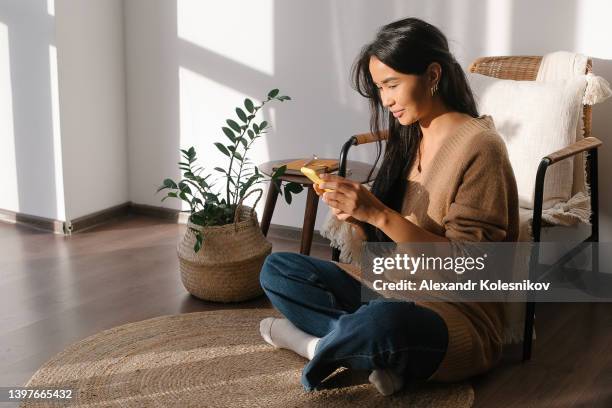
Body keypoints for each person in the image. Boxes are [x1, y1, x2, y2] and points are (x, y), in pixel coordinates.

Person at [259, 16, 519, 396]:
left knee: (384, 322)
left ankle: (308, 344)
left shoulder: (481, 147)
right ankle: (361, 350)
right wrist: (358, 220)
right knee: (278, 269)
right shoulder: (410, 137)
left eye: (392, 84)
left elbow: (471, 268)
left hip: (455, 314)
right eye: (380, 88)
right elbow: (379, 258)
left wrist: (378, 212)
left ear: (433, 74)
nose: (385, 100)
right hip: (389, 289)